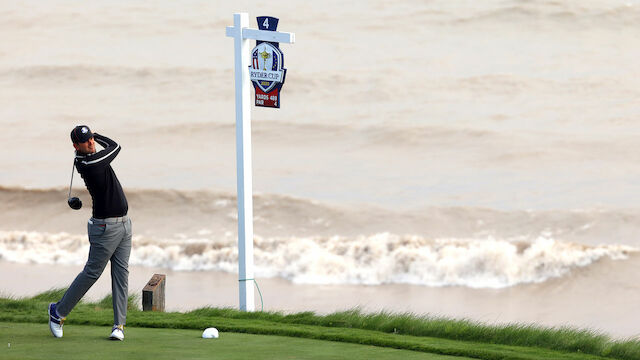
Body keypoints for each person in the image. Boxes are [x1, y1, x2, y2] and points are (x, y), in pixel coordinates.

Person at [48, 125, 132, 341]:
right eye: (86, 141)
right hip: (105, 229)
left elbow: (108, 148)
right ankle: (57, 313)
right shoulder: (88, 163)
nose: (91, 143)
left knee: (121, 275)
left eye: (91, 139)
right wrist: (99, 135)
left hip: (124, 225)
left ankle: (118, 326)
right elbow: (116, 146)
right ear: (76, 146)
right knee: (92, 273)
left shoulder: (93, 156)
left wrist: (93, 136)